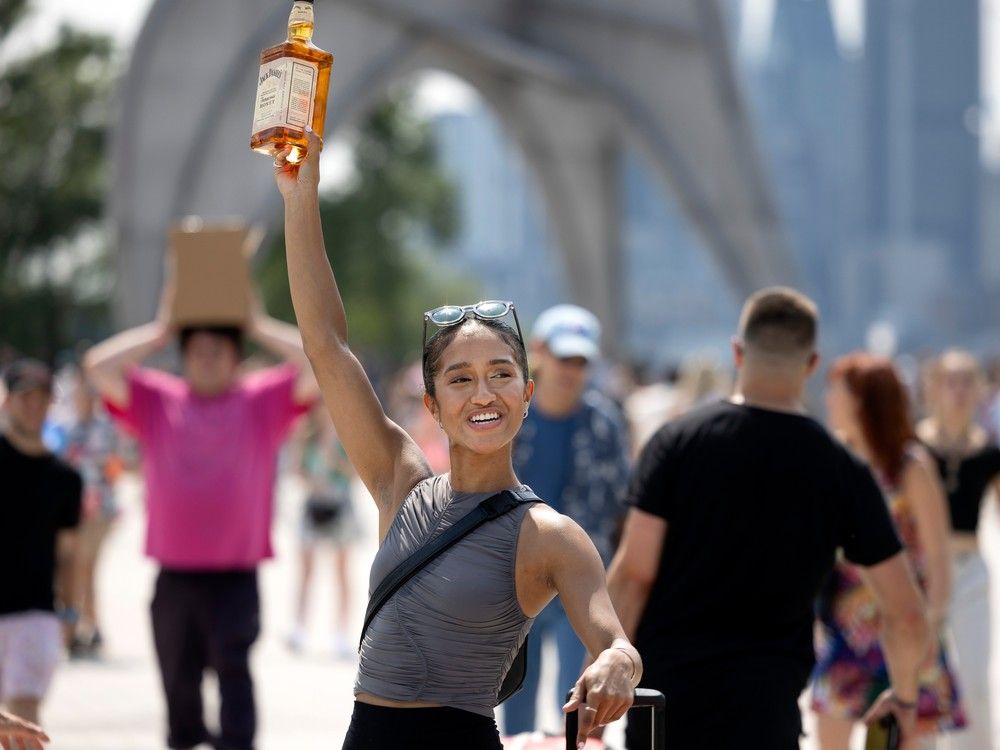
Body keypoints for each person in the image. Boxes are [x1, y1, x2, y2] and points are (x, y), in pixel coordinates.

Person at [274, 129, 642, 750]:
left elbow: (616, 641)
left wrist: (615, 665)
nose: (483, 394)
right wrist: (299, 193)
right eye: (460, 379)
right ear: (432, 405)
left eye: (502, 375)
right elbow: (325, 345)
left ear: (527, 395)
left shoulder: (549, 535)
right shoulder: (400, 479)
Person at [606, 288, 930, 750]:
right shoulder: (842, 469)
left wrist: (595, 689)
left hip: (667, 707)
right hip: (767, 712)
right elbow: (906, 615)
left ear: (737, 352)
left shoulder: (677, 443)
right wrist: (903, 698)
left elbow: (633, 576)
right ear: (812, 364)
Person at [83, 285, 318, 750]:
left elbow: (318, 362)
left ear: (235, 358)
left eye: (219, 350)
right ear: (183, 357)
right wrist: (162, 330)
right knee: (179, 685)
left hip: (235, 576)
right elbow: (97, 366)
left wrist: (256, 325)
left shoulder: (260, 401)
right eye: (197, 350)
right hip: (175, 579)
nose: (207, 359)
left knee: (234, 676)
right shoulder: (156, 399)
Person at [812, 352, 964, 747]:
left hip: (906, 630)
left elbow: (938, 556)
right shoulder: (833, 461)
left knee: (893, 743)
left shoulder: (910, 466)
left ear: (864, 400)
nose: (828, 398)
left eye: (837, 391)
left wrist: (931, 627)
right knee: (829, 739)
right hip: (847, 633)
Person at [504, 304, 630, 735]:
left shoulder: (605, 425)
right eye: (564, 357)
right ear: (538, 352)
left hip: (582, 579)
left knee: (578, 698)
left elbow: (620, 506)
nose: (572, 370)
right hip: (516, 575)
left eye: (581, 361)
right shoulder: (509, 419)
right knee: (515, 693)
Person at [916, 349, 1000, 750]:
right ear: (933, 388)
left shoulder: (989, 451)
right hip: (923, 575)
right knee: (921, 679)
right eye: (951, 382)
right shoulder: (915, 448)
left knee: (974, 684)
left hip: (970, 572)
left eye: (967, 381)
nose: (959, 392)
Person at [0, 360, 82, 728]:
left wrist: (70, 612)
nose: (34, 406)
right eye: (25, 397)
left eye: (42, 398)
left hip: (36, 613)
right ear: (7, 402)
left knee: (24, 719)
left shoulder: (65, 478)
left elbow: (68, 553)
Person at [287, 403, 360, 657]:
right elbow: (297, 471)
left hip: (340, 505)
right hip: (314, 504)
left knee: (341, 573)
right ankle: (299, 628)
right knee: (306, 571)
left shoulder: (348, 436)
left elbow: (356, 473)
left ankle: (342, 634)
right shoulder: (307, 437)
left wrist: (334, 457)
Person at [60, 368, 124, 657]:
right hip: (72, 509)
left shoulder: (105, 428)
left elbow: (115, 466)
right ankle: (83, 625)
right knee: (76, 569)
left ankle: (90, 624)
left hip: (99, 509)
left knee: (87, 568)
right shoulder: (68, 427)